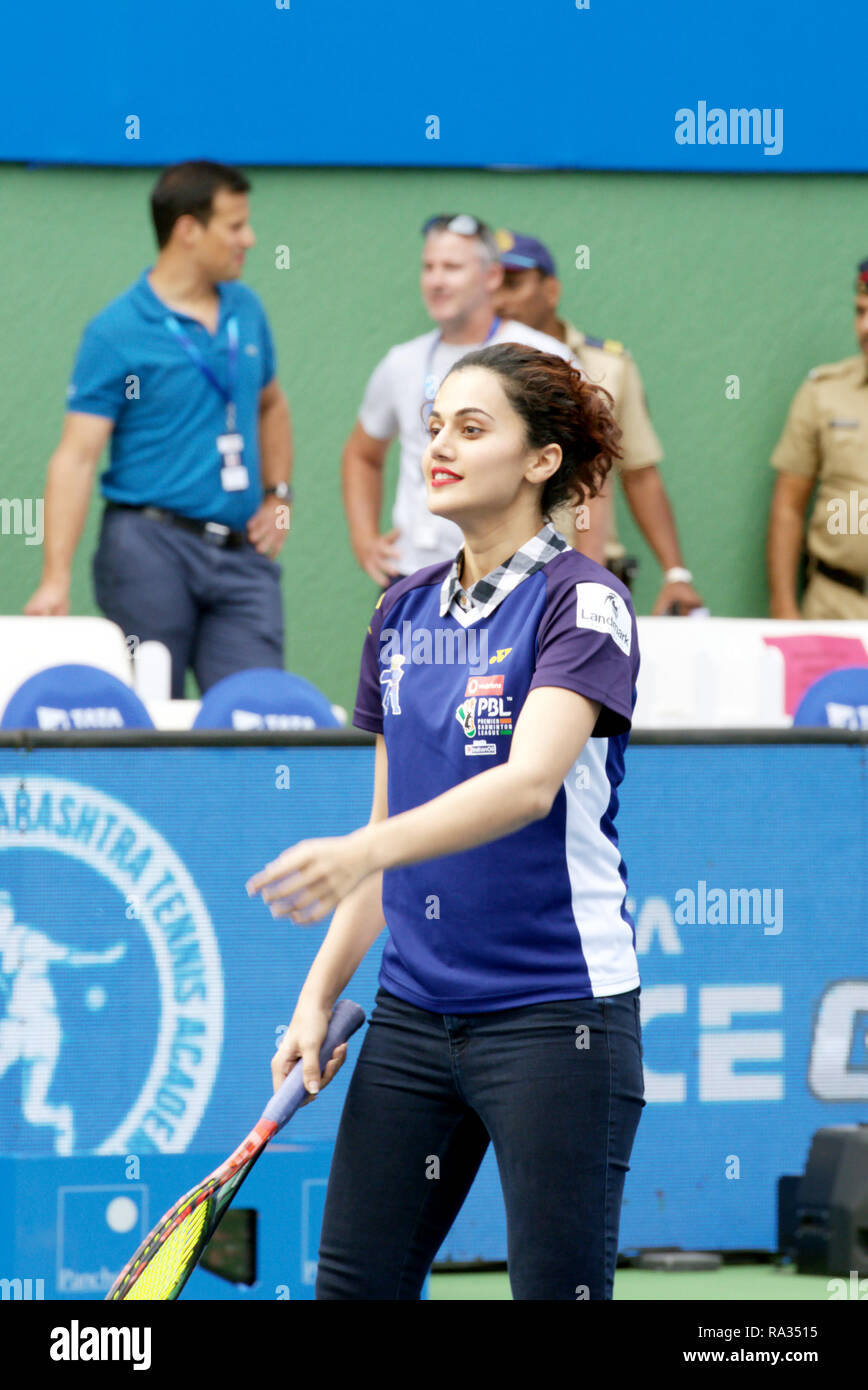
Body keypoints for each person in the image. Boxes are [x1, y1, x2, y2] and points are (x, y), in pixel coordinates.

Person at [248, 343, 645, 1301]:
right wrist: (316, 998)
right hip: (413, 1020)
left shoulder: (583, 603)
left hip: (557, 1020)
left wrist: (362, 851)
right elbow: (388, 831)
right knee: (354, 1290)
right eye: (434, 426)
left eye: (473, 429)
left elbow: (527, 785)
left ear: (541, 459)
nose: (439, 446)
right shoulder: (399, 613)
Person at [25, 160, 293, 698]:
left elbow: (272, 405)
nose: (251, 238)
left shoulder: (247, 309)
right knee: (151, 719)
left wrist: (278, 498)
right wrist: (55, 579)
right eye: (235, 226)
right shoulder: (116, 330)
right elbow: (75, 458)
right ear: (188, 230)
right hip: (149, 549)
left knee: (258, 716)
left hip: (242, 557)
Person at [342, 214, 575, 587]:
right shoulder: (402, 360)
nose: (436, 280)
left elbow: (590, 473)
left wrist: (587, 564)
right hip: (416, 574)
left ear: (492, 277)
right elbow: (361, 454)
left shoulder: (541, 355)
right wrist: (364, 539)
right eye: (428, 267)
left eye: (451, 267)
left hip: (520, 573)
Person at [494, 230, 704, 615]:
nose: (499, 299)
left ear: (551, 290)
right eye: (490, 284)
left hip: (592, 574)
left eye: (513, 283)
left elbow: (639, 472)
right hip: (503, 582)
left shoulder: (606, 366)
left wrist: (676, 574)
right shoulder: (478, 371)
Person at [767, 258, 868, 619]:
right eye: (860, 312)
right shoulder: (823, 392)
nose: (865, 327)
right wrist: (784, 609)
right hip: (835, 605)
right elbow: (788, 507)